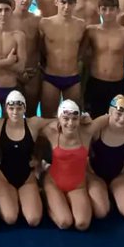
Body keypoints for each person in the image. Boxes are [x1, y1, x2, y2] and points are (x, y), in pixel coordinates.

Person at [0, 90, 44, 227]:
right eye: (11, 108)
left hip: (27, 178)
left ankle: (33, 198)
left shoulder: (33, 124)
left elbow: (58, 121)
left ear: (24, 108)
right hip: (4, 177)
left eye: (19, 108)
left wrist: (82, 117)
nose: (15, 112)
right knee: (10, 218)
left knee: (33, 220)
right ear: (5, 108)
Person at [39, 99, 96, 231]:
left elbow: (109, 118)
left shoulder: (86, 132)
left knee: (82, 224)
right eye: (65, 118)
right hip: (54, 182)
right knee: (65, 222)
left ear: (79, 119)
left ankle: (65, 200)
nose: (70, 123)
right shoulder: (51, 132)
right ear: (59, 118)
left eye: (74, 118)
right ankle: (47, 198)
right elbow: (30, 124)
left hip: (77, 186)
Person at [86, 95, 124, 222]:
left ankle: (112, 191)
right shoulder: (98, 129)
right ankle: (102, 191)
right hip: (95, 175)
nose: (122, 119)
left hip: (119, 176)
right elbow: (81, 131)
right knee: (101, 212)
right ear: (110, 112)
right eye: (118, 114)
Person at [83, 0, 124, 118]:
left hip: (117, 85)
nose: (108, 13)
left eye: (111, 9)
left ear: (118, 10)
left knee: (117, 122)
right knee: (93, 122)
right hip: (95, 84)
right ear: (99, 10)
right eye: (104, 9)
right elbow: (81, 57)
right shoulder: (91, 31)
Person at [38, 0, 86, 116]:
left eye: (70, 3)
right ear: (56, 2)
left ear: (75, 4)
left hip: (73, 78)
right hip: (50, 77)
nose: (66, 7)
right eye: (63, 2)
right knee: (47, 119)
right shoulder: (45, 23)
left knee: (73, 119)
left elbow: (81, 49)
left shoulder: (81, 25)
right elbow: (39, 48)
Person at [9, 0, 43, 116]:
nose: (25, 0)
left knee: (31, 114)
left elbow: (42, 46)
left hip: (32, 73)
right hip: (11, 73)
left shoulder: (38, 20)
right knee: (11, 115)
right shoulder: (5, 19)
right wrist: (16, 70)